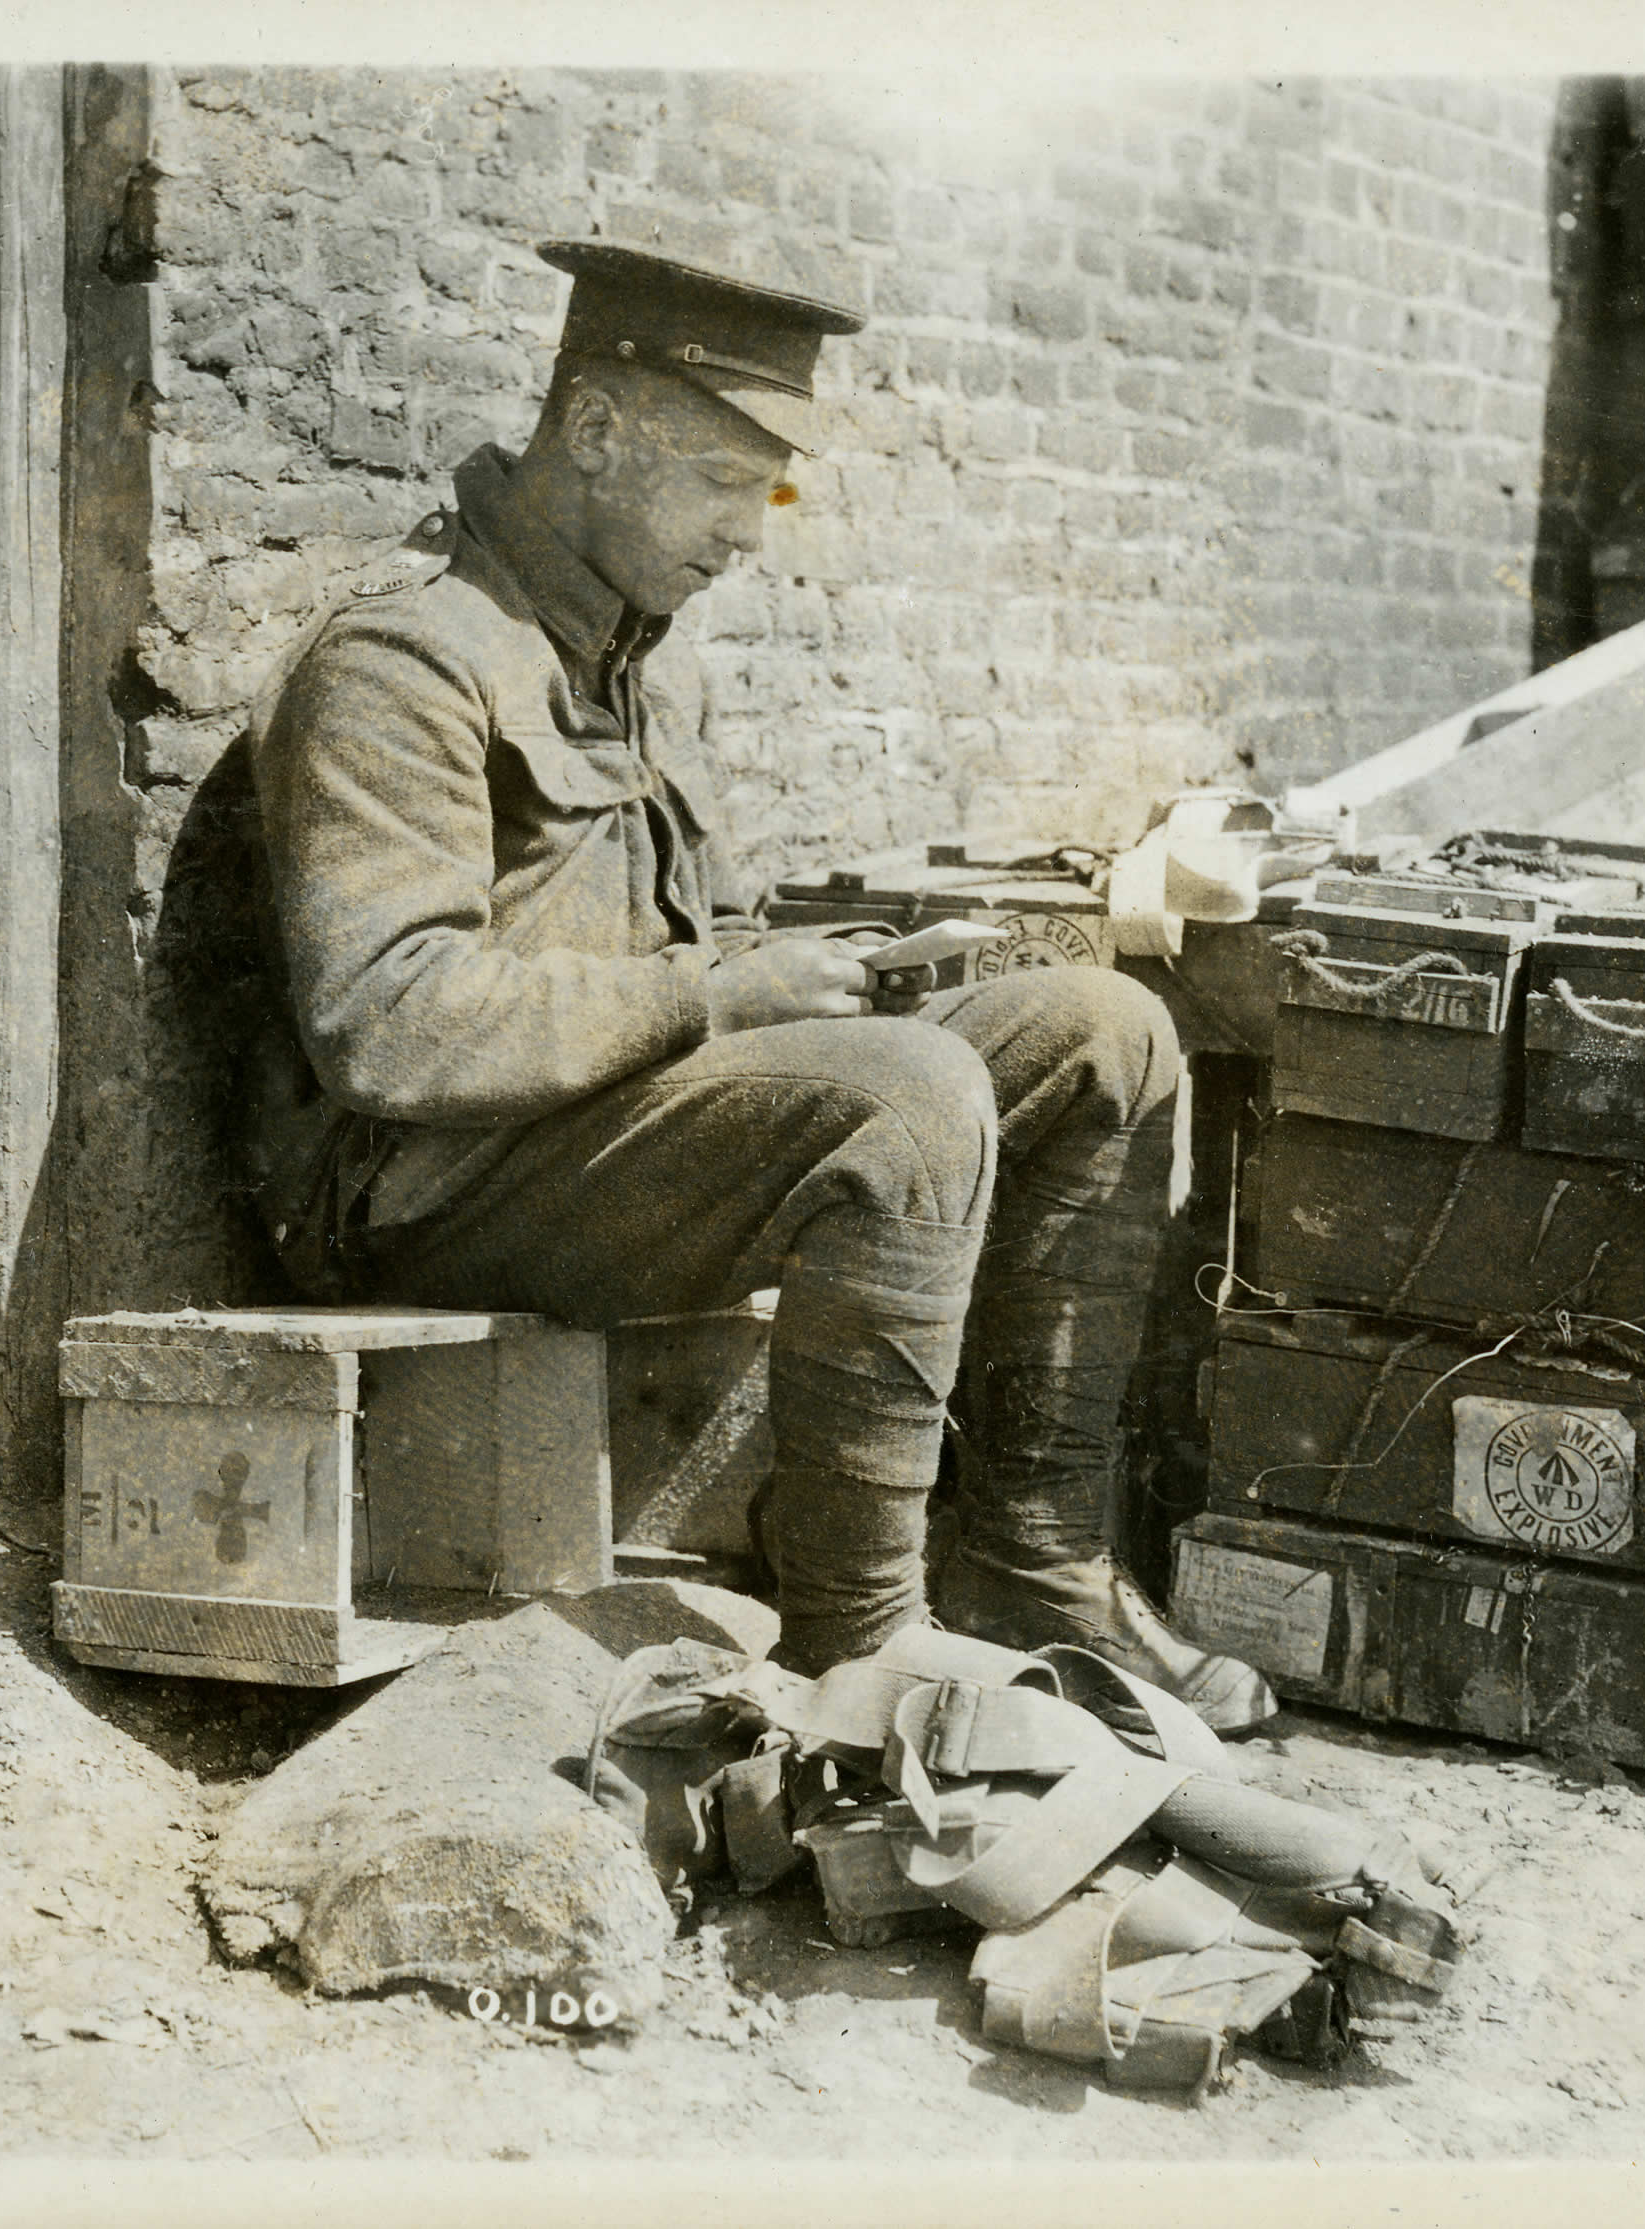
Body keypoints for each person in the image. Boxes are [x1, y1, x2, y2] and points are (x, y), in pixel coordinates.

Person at [236, 238, 1274, 1727]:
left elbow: (688, 949)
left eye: (765, 490)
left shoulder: (626, 667)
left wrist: (823, 983)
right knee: (909, 1104)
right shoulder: (406, 659)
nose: (752, 534)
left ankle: (1034, 1562)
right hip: (419, 1187)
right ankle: (863, 1643)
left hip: (594, 1130)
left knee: (1107, 1033)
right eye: (727, 483)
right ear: (593, 430)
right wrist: (723, 1002)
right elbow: (384, 1023)